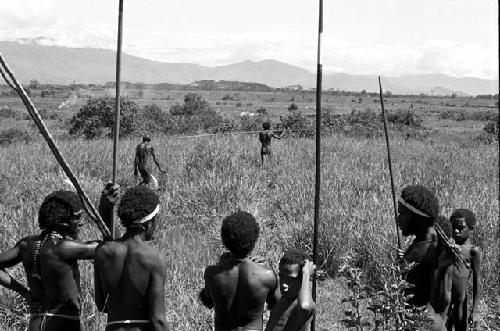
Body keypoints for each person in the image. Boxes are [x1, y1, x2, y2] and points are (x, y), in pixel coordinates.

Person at [0, 190, 102, 331]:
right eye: (77, 218)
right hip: (63, 323)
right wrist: (107, 209)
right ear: (64, 222)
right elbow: (112, 247)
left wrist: (26, 293)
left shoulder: (25, 245)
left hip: (35, 323)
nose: (82, 223)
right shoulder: (65, 247)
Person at [94, 185, 170, 331]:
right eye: (155, 220)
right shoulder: (154, 258)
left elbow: (101, 304)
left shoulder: (102, 253)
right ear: (147, 224)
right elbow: (158, 320)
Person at [200, 211, 280, 331]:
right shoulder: (266, 276)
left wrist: (221, 265)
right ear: (253, 241)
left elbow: (207, 301)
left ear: (225, 241)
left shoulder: (212, 274)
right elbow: (276, 304)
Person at [396, 184, 446, 330]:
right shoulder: (420, 242)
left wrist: (421, 323)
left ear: (416, 218)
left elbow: (440, 297)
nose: (398, 219)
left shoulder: (434, 249)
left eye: (402, 214)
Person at [436, 209, 482, 331]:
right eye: (453, 227)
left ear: (471, 229)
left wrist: (475, 310)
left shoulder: (473, 251)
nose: (456, 231)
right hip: (443, 302)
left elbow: (477, 280)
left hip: (460, 302)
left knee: (460, 327)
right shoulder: (446, 248)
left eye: (461, 228)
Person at [265, 248, 315, 331]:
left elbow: (305, 307)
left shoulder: (300, 305)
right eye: (282, 277)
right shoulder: (284, 298)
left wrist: (306, 274)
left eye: (291, 279)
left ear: (302, 278)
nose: (284, 284)